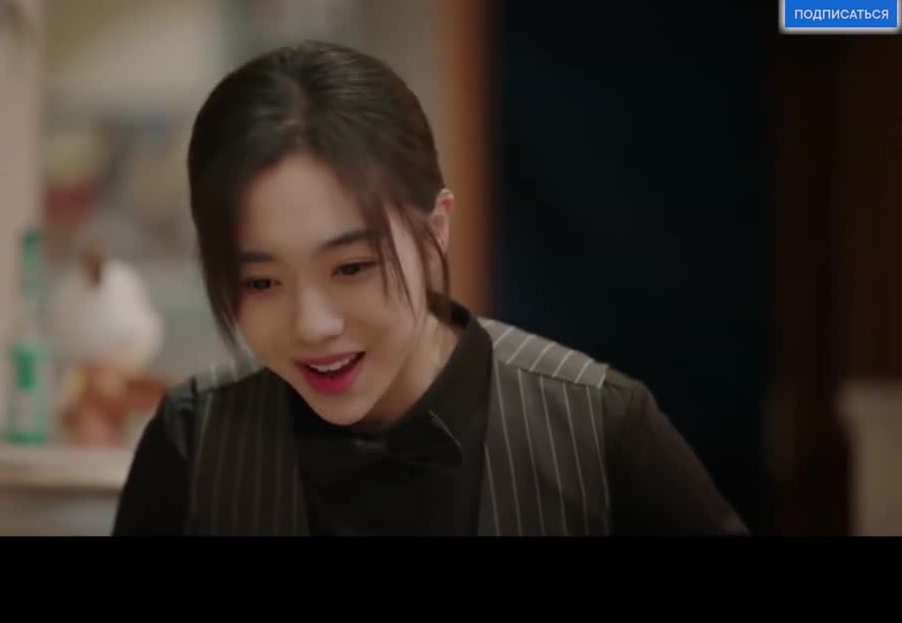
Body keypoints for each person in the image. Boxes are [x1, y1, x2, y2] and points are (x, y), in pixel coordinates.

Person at [111, 40, 749, 536]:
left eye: (351, 267)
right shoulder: (193, 440)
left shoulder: (599, 427)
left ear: (435, 230)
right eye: (261, 280)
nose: (312, 325)